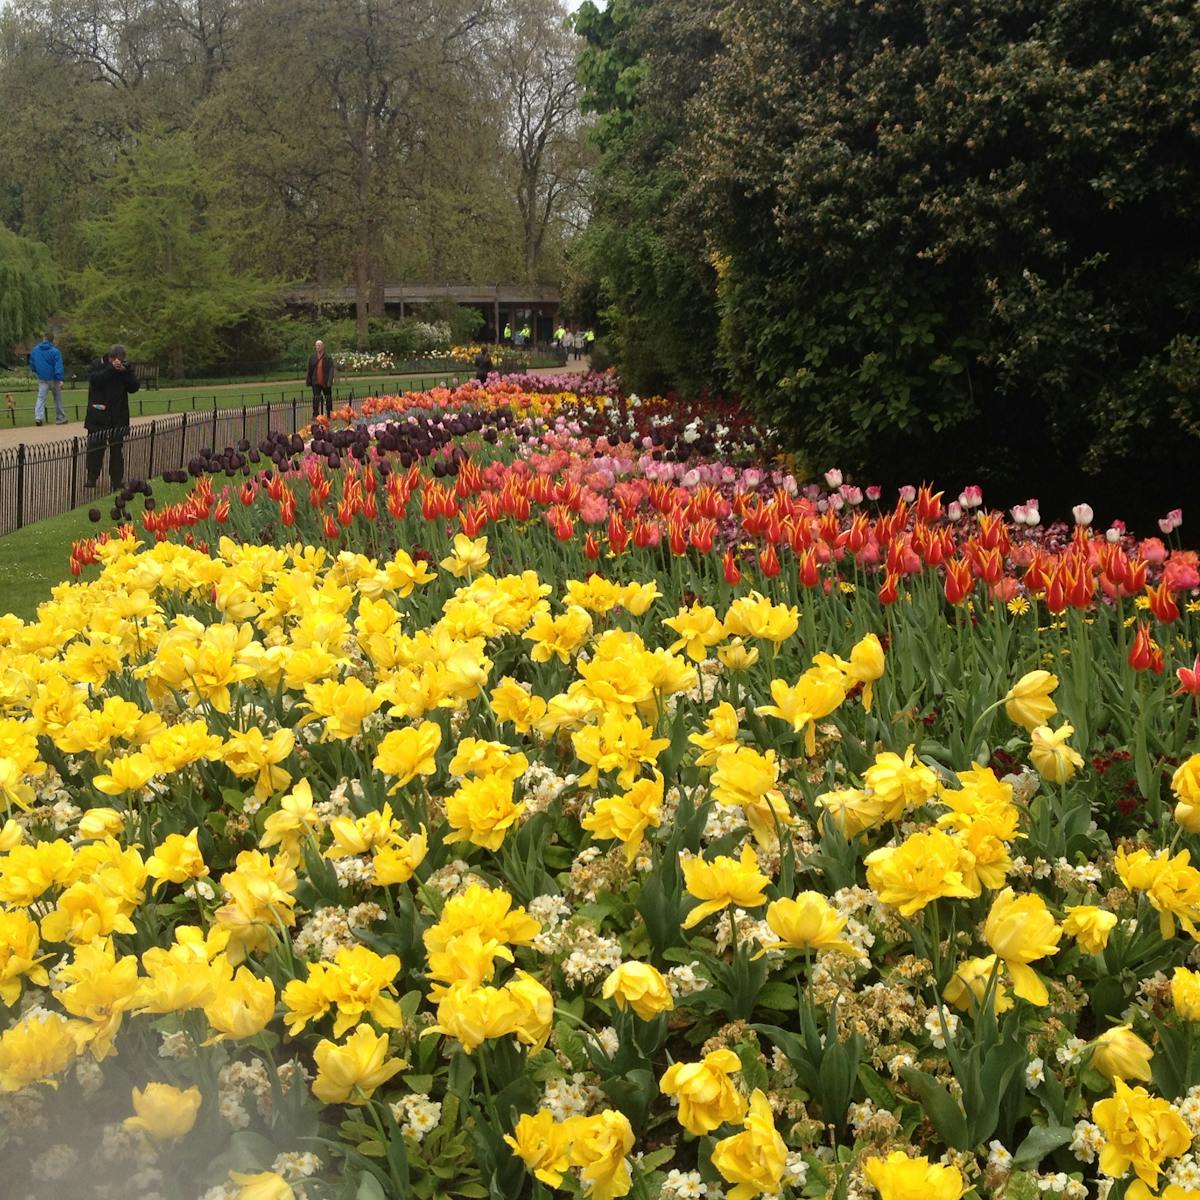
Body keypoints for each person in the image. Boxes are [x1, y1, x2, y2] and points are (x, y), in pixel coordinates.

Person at [85, 345, 139, 491]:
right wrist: (110, 369)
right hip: (98, 413)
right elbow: (95, 381)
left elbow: (134, 387)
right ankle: (92, 477)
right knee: (95, 447)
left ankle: (116, 480)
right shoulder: (97, 365)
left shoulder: (125, 368)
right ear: (110, 358)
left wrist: (125, 372)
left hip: (118, 414)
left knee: (117, 449)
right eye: (115, 361)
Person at [28, 331, 66, 426]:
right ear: (52, 340)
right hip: (54, 378)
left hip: (42, 378)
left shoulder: (35, 350)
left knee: (41, 398)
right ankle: (60, 418)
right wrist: (60, 378)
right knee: (57, 399)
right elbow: (58, 366)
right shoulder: (55, 351)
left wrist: (36, 371)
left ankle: (39, 417)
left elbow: (32, 363)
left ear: (44, 338)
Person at [306, 339, 336, 420]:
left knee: (328, 398)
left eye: (319, 345)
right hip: (315, 381)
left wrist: (330, 380)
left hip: (325, 381)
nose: (318, 347)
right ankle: (315, 414)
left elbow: (331, 369)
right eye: (316, 346)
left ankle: (329, 414)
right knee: (316, 398)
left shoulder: (328, 357)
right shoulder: (312, 357)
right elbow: (309, 369)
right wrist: (308, 380)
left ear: (323, 346)